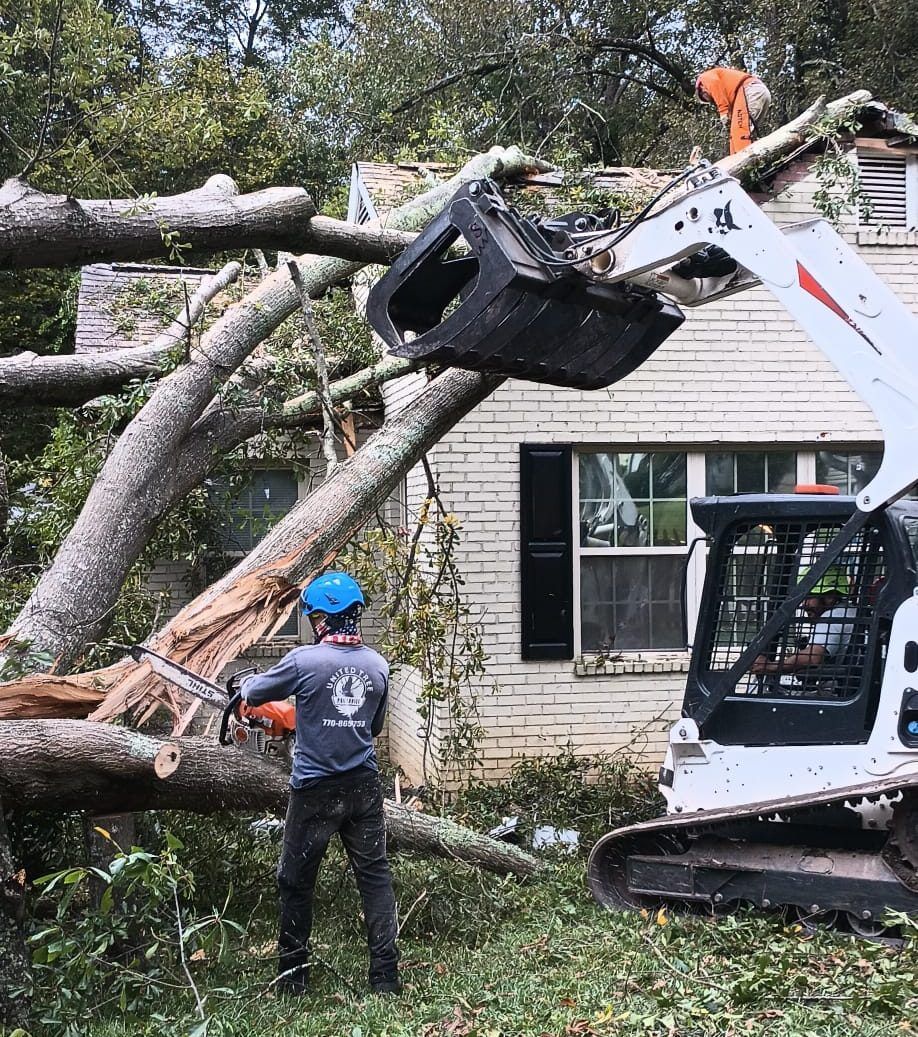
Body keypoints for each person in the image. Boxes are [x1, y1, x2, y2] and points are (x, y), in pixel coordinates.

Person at [240, 571, 400, 997]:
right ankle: (385, 977)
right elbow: (373, 726)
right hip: (364, 786)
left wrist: (243, 687)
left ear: (322, 618)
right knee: (375, 879)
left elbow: (254, 692)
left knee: (295, 881)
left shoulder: (303, 661)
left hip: (314, 789)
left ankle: (293, 979)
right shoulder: (378, 666)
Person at [751, 567, 857, 677]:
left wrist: (770, 666)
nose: (804, 604)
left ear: (829, 597)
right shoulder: (850, 612)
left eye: (809, 597)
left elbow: (812, 657)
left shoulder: (831, 618)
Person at [695, 68, 772, 154]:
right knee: (746, 133)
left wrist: (723, 111)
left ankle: (744, 162)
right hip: (759, 90)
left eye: (706, 98)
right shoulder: (730, 91)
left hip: (748, 90)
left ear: (702, 89)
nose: (711, 100)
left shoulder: (704, 78)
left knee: (740, 133)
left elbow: (715, 85)